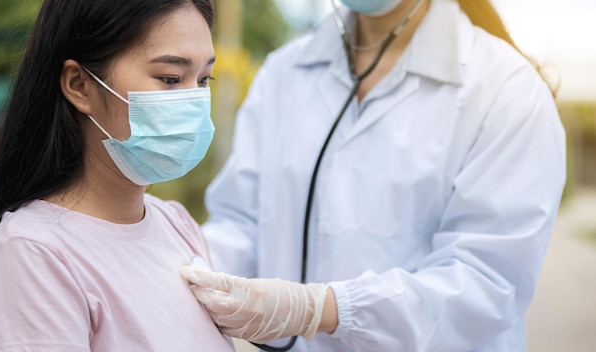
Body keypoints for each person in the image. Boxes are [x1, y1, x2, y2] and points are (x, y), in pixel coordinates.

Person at [178, 0, 567, 351]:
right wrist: (183, 270)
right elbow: (240, 221)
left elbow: (486, 282)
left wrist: (324, 309)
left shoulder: (507, 89)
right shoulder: (283, 73)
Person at [0, 0, 234, 351]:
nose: (193, 101)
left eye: (203, 79)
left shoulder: (177, 225)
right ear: (79, 85)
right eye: (170, 79)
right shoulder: (30, 255)